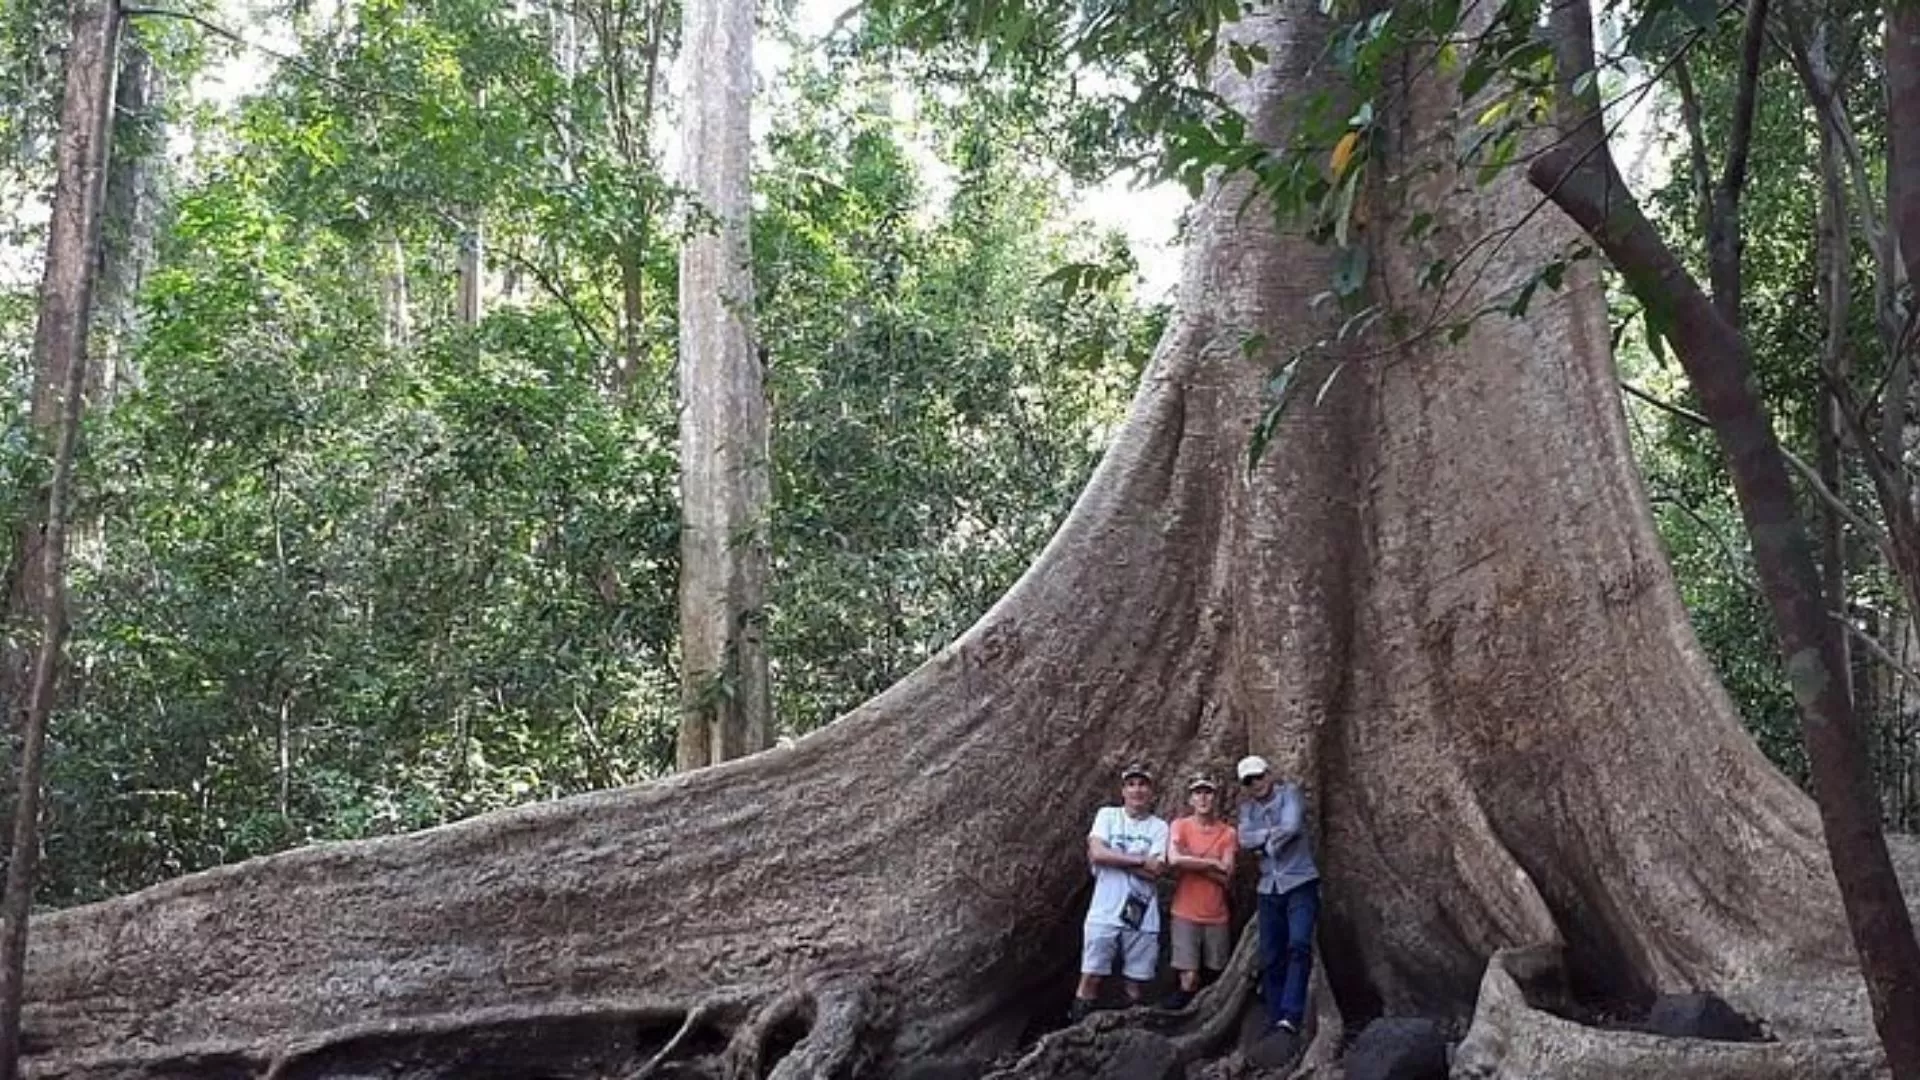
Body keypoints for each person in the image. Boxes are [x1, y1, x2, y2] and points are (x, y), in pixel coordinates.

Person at [1072, 763, 1171, 1021]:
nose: (1137, 790)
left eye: (1143, 785)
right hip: (1104, 912)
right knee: (1091, 975)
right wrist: (1139, 860)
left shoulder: (1159, 827)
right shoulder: (1108, 816)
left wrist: (1113, 857)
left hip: (1143, 916)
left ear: (1151, 792)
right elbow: (1097, 853)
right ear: (1123, 790)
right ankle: (1076, 1030)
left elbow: (1156, 871)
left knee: (1135, 983)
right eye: (1131, 784)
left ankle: (1126, 1036)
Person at [1237, 754, 1319, 1037]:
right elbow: (1244, 839)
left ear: (1269, 774)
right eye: (1249, 781)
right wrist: (1272, 836)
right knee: (1271, 954)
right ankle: (1275, 1016)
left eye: (1259, 776)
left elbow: (1293, 825)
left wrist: (1265, 842)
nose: (1256, 784)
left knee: (1298, 944)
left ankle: (1292, 1013)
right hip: (1268, 888)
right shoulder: (1247, 809)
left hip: (1299, 882)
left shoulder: (1290, 794)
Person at [1163, 775, 1236, 1010]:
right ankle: (1182, 1020)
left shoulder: (1228, 833)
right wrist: (1211, 864)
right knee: (1189, 976)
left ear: (1215, 798)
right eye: (1198, 793)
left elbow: (1227, 873)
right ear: (1190, 799)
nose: (1203, 798)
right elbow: (1174, 859)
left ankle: (1209, 1020)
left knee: (1216, 973)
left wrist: (1191, 860)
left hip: (1217, 914)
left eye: (1208, 792)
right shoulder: (1180, 826)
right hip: (1185, 912)